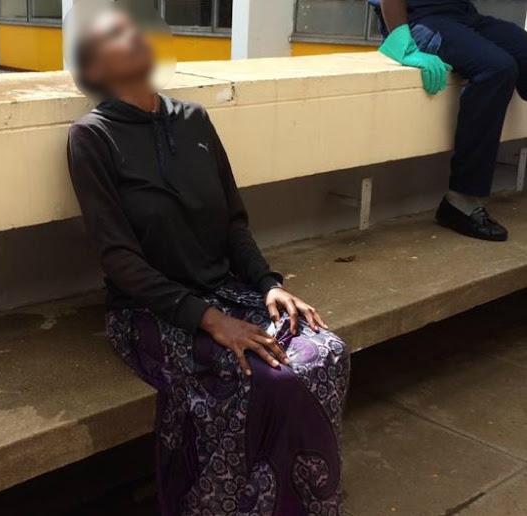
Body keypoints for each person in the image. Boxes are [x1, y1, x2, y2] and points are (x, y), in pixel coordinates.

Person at [65, 5, 350, 515]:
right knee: (262, 378)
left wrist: (267, 283)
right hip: (150, 310)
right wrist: (213, 321)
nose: (134, 37)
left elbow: (232, 222)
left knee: (326, 350)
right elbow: (117, 259)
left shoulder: (194, 119)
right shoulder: (93, 137)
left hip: (227, 288)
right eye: (114, 36)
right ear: (95, 66)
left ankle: (302, 499)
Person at [370, 0, 526, 242]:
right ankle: (461, 200)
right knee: (497, 68)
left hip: (461, 14)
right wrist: (403, 43)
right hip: (420, 20)